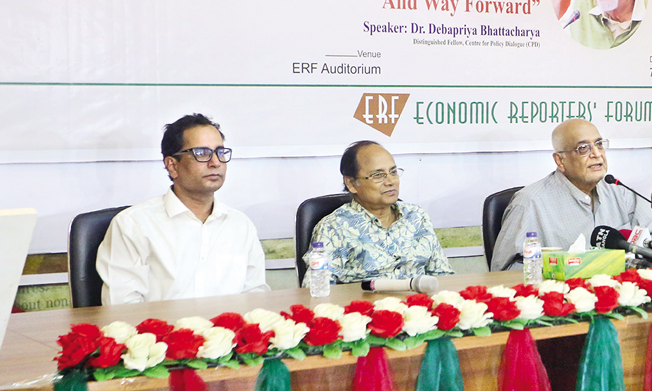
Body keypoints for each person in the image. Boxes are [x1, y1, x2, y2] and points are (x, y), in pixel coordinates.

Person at [96, 114, 269, 304]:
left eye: (220, 152)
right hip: (162, 333)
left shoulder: (240, 225)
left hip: (230, 332)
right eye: (202, 153)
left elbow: (256, 299)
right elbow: (122, 307)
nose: (216, 162)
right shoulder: (133, 224)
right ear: (173, 165)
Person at [491, 118, 652, 271]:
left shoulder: (619, 191)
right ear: (560, 160)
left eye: (599, 144)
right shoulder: (530, 203)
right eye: (583, 148)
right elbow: (502, 271)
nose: (597, 154)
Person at [303, 141, 454, 285]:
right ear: (351, 183)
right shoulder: (334, 227)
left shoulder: (416, 216)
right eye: (378, 175)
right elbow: (317, 289)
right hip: (365, 308)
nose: (390, 181)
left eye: (393, 172)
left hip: (418, 306)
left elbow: (444, 276)